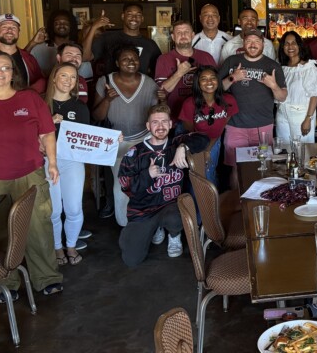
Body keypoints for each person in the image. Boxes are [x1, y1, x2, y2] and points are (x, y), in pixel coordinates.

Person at [0, 51, 63, 297]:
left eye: (6, 68)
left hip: (28, 174)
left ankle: (46, 277)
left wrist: (52, 162)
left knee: (38, 227)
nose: (0, 72)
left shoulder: (29, 99)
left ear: (13, 73)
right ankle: (6, 283)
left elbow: (47, 133)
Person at [118, 104, 209, 267]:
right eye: (155, 122)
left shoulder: (177, 143)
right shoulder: (135, 152)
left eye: (164, 122)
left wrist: (184, 147)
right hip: (143, 211)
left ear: (170, 124)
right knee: (131, 259)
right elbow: (126, 187)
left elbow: (204, 138)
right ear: (148, 126)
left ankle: (173, 234)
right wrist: (148, 175)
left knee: (178, 211)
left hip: (170, 207)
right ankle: (156, 228)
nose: (160, 126)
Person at [92, 45, 165, 225]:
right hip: (118, 141)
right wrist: (108, 99)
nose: (131, 62)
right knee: (122, 184)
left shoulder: (149, 83)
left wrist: (163, 99)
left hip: (144, 138)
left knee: (147, 180)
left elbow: (158, 113)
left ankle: (149, 223)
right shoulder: (105, 81)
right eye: (125, 59)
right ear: (117, 63)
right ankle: (125, 224)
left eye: (134, 59)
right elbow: (97, 116)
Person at [219, 28, 287, 190]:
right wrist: (233, 78)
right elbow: (217, 89)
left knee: (263, 166)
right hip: (235, 126)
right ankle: (237, 206)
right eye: (249, 41)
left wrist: (273, 86)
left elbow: (282, 96)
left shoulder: (272, 66)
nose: (253, 44)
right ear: (243, 43)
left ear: (263, 44)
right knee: (236, 168)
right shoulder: (232, 61)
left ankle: (260, 203)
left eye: (256, 41)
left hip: (262, 127)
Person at [45, 62, 92, 266]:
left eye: (73, 77)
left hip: (73, 161)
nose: (68, 81)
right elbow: (26, 135)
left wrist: (109, 141)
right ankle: (57, 247)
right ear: (54, 78)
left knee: (73, 208)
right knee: (54, 210)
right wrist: (49, 123)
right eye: (64, 76)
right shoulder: (41, 105)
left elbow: (90, 138)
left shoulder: (80, 107)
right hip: (47, 160)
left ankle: (71, 245)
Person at [179, 66, 238, 188]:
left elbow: (221, 128)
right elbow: (191, 132)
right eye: (204, 79)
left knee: (209, 174)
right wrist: (202, 151)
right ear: (198, 83)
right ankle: (197, 206)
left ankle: (212, 206)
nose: (209, 82)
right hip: (194, 143)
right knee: (197, 178)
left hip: (214, 141)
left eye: (213, 78)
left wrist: (209, 149)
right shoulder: (190, 103)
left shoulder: (228, 100)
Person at [154, 20, 216, 122]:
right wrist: (179, 73)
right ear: (173, 37)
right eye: (179, 33)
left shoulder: (206, 57)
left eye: (186, 32)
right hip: (175, 118)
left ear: (192, 35)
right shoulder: (163, 59)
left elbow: (217, 87)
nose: (183, 35)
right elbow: (161, 92)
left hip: (204, 117)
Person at [83, 3, 162, 76]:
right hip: (111, 89)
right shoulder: (107, 38)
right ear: (123, 16)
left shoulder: (150, 44)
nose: (134, 18)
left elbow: (159, 71)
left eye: (138, 15)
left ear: (142, 18)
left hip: (139, 89)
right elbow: (85, 57)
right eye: (130, 14)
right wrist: (94, 27)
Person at [276, 31, 317, 143]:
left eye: (294, 43)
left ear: (300, 45)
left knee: (302, 150)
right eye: (286, 43)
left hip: (300, 114)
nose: (290, 46)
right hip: (282, 112)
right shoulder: (282, 68)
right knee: (283, 149)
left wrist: (308, 118)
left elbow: (315, 95)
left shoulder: (308, 68)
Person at [25, 9, 82, 77]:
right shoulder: (39, 48)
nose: (61, 25)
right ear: (52, 26)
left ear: (71, 26)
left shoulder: (77, 48)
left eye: (65, 23)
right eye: (57, 23)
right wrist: (32, 43)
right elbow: (21, 61)